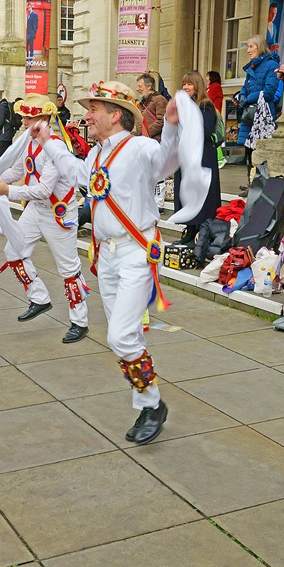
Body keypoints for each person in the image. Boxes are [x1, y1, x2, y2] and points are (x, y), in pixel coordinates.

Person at [57, 80, 196, 444]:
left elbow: (168, 160)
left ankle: (152, 404)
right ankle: (150, 405)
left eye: (93, 110)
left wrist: (173, 125)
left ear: (115, 115)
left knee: (120, 335)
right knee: (124, 336)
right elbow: (81, 177)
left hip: (137, 253)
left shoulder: (139, 147)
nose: (86, 116)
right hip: (106, 256)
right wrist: (46, 143)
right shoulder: (95, 155)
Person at [0, 93, 89, 343]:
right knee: (13, 251)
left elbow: (44, 189)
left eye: (28, 118)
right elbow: (18, 170)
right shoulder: (27, 142)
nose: (24, 123)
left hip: (58, 213)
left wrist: (9, 191)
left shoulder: (56, 146)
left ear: (43, 118)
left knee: (69, 269)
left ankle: (79, 322)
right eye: (24, 118)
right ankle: (39, 298)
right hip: (35, 210)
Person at [176, 72, 221, 245]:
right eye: (184, 84)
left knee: (201, 195)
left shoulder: (205, 106)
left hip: (202, 156)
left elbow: (206, 131)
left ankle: (201, 234)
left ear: (197, 85)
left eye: (189, 84)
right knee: (187, 194)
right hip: (187, 155)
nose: (185, 87)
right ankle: (190, 230)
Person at [233, 35, 281, 170]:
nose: (248, 50)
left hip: (263, 115)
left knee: (261, 151)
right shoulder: (251, 67)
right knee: (248, 149)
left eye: (251, 47)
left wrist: (247, 99)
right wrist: (241, 96)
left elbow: (269, 92)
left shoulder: (272, 65)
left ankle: (259, 184)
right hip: (249, 115)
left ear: (259, 47)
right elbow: (245, 88)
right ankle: (250, 184)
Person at [134, 72, 167, 141]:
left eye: (140, 86)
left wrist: (146, 133)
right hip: (145, 140)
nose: (137, 89)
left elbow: (161, 121)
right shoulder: (144, 101)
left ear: (149, 87)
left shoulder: (159, 99)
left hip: (154, 141)